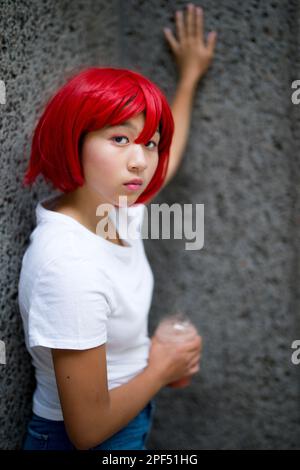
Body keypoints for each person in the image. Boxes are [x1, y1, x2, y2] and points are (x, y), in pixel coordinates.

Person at [18, 3, 217, 450]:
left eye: (149, 143)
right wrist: (161, 366)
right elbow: (85, 430)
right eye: (120, 138)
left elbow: (169, 153)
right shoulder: (67, 264)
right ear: (75, 139)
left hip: (129, 419)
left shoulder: (115, 204)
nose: (140, 160)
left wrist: (188, 77)